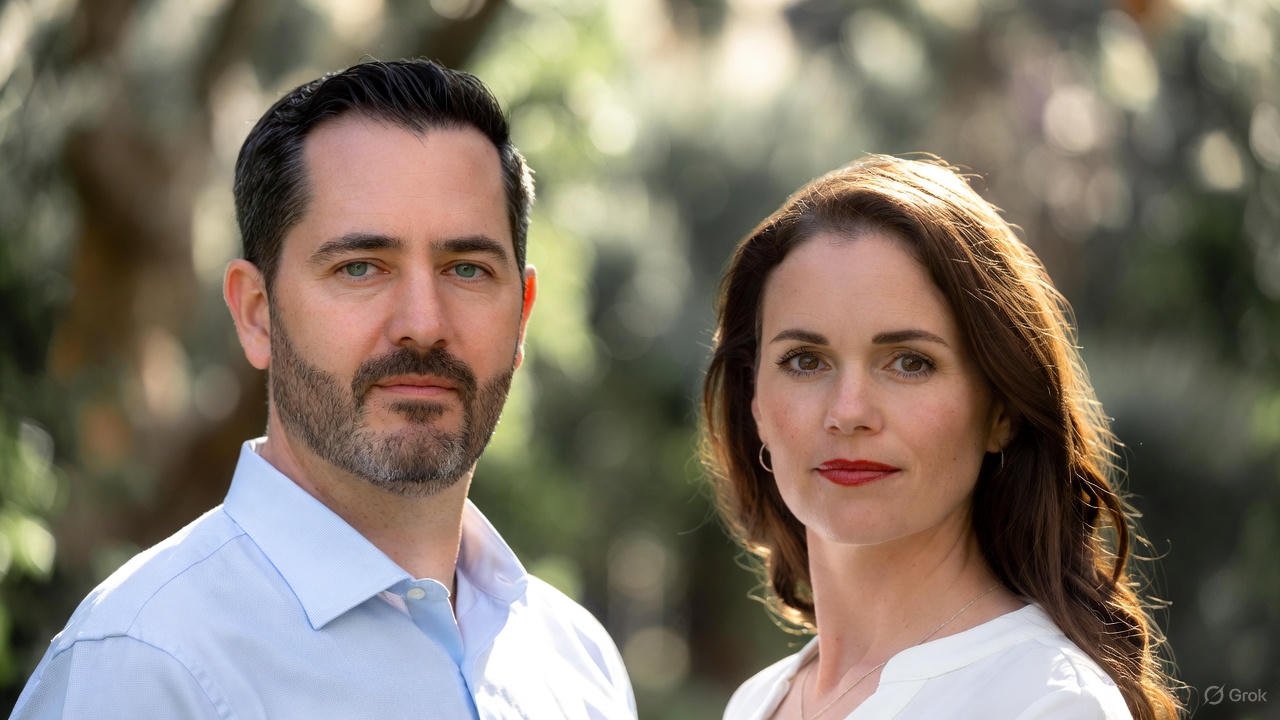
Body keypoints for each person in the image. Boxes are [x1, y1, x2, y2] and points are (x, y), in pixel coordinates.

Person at [12, 59, 635, 719]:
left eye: (467, 269)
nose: (423, 324)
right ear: (256, 313)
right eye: (360, 267)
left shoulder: (577, 662)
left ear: (522, 314)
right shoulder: (145, 663)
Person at [702, 155, 1181, 720]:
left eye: (909, 362)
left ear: (1000, 410)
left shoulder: (1049, 701)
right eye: (805, 360)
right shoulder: (757, 703)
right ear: (754, 402)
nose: (849, 412)